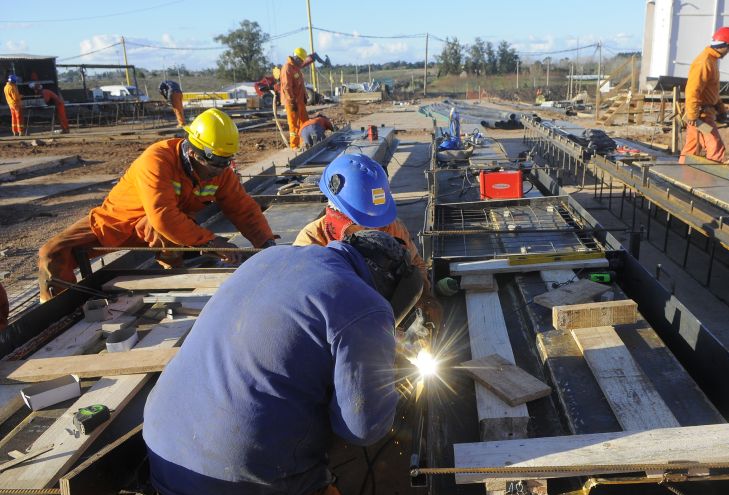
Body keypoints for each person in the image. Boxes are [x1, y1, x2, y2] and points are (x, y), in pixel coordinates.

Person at [147, 230, 423, 495]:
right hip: (234, 486)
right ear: (390, 286)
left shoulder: (273, 258)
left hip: (165, 455)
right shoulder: (365, 304)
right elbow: (363, 430)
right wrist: (386, 383)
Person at [37, 108, 275, 302]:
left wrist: (267, 245)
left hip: (162, 231)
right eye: (214, 166)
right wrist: (212, 242)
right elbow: (163, 215)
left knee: (161, 226)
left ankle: (176, 276)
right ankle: (65, 308)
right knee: (52, 253)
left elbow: (243, 208)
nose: (220, 172)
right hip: (117, 223)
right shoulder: (157, 160)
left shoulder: (219, 170)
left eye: (226, 164)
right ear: (194, 153)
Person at [293, 153, 443, 328]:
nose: (376, 230)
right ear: (340, 213)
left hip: (387, 317)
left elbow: (416, 263)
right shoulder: (311, 242)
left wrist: (425, 296)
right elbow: (306, 306)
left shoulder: (390, 226)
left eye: (377, 223)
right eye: (365, 225)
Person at [680, 26, 729, 164]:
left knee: (693, 147)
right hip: (701, 116)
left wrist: (720, 108)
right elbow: (692, 90)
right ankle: (710, 179)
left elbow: (711, 91)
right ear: (725, 45)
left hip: (703, 114)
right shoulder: (704, 62)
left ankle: (682, 175)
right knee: (715, 147)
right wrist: (693, 115)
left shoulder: (712, 60)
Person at [280, 47, 328, 150]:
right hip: (292, 102)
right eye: (301, 60)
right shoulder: (287, 68)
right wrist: (292, 102)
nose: (302, 62)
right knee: (294, 125)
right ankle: (294, 146)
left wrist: (305, 96)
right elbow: (286, 87)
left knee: (305, 122)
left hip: (300, 100)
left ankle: (304, 142)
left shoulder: (296, 67)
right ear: (296, 58)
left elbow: (300, 85)